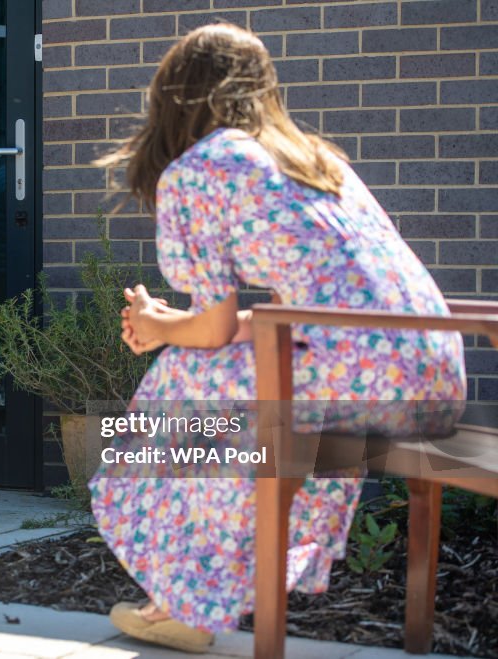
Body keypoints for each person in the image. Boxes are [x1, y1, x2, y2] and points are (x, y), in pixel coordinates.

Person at [89, 24, 465, 653]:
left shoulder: (201, 169)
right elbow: (302, 315)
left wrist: (161, 328)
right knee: (220, 395)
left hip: (352, 370)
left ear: (174, 96)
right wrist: (171, 324)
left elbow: (212, 330)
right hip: (430, 368)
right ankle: (194, 593)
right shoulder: (316, 158)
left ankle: (189, 598)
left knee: (181, 396)